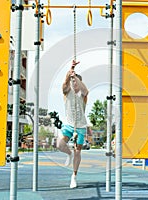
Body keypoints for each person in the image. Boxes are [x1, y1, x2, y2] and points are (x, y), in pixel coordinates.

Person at [57, 60, 89, 189]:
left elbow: (85, 90)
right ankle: (68, 154)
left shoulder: (83, 95)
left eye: (75, 82)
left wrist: (75, 77)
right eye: (72, 82)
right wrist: (70, 72)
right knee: (59, 144)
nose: (73, 83)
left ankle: (74, 176)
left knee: (78, 151)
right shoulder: (67, 92)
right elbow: (64, 84)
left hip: (80, 127)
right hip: (69, 125)